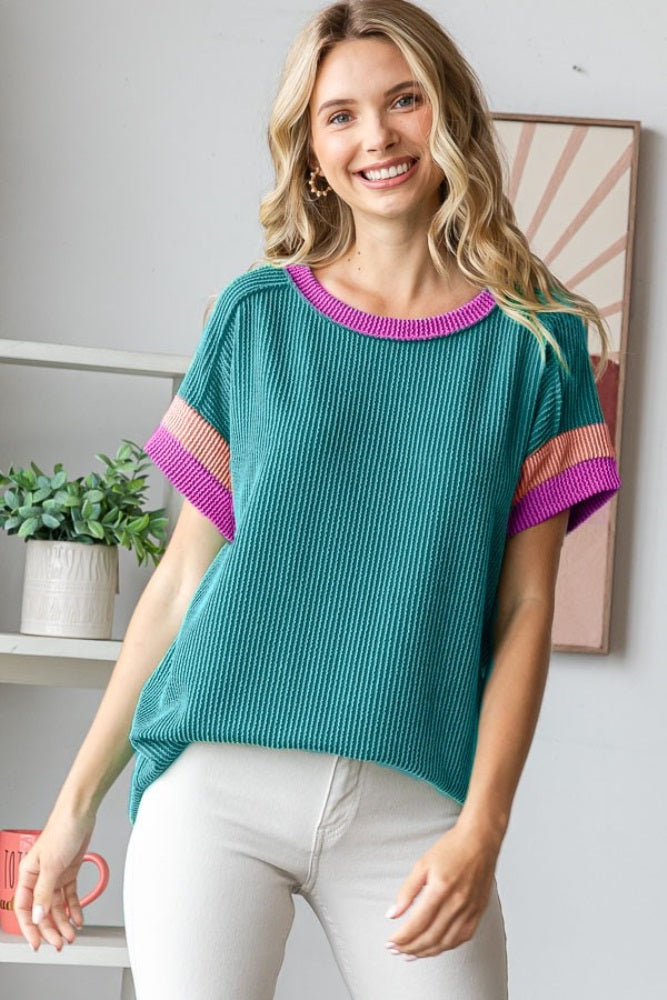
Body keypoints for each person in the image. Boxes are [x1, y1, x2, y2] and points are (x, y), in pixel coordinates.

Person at [14, 1, 622, 997]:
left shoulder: (535, 344)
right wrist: (73, 806)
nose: (375, 136)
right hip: (215, 783)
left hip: (413, 800)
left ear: (449, 115)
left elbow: (525, 608)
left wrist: (482, 826)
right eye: (339, 115)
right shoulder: (254, 316)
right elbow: (180, 583)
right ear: (309, 151)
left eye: (403, 101)